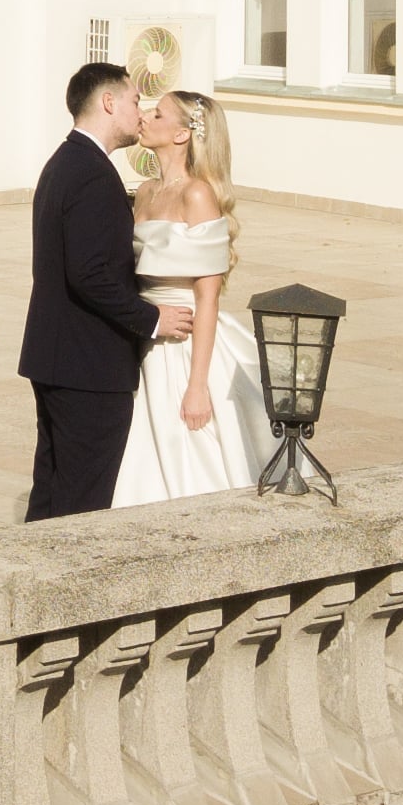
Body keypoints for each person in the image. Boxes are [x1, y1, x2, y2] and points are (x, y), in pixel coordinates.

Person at [20, 62, 193, 519]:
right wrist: (152, 319)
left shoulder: (65, 162)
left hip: (57, 357)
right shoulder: (92, 173)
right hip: (88, 365)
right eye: (135, 101)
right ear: (109, 102)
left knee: (52, 490)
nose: (140, 112)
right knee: (83, 502)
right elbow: (90, 274)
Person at [110, 89, 275, 508]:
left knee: (187, 447)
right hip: (148, 337)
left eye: (159, 114)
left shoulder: (197, 195)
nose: (146, 116)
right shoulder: (145, 192)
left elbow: (208, 297)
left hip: (188, 344)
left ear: (182, 134)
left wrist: (197, 386)